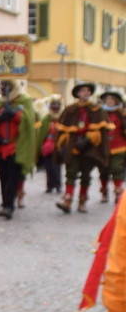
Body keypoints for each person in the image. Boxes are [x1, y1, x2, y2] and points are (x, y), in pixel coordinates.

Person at [0, 79, 36, 220]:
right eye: (2, 85)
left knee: (12, 176)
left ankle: (9, 206)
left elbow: (29, 120)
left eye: (7, 85)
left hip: (16, 146)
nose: (4, 88)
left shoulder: (24, 101)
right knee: (3, 176)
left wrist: (15, 114)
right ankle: (6, 202)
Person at [55, 81, 109, 214]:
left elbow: (101, 131)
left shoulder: (97, 110)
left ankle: (82, 202)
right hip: (73, 148)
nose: (86, 93)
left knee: (86, 176)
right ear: (78, 94)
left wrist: (88, 139)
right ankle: (67, 201)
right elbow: (62, 131)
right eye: (82, 91)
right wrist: (62, 145)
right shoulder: (70, 109)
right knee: (71, 174)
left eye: (88, 91)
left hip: (89, 149)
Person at [98, 90, 126, 203]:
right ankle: (104, 192)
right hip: (103, 147)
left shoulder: (121, 113)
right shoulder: (100, 113)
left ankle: (118, 193)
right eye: (107, 99)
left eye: (112, 99)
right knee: (103, 170)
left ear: (116, 101)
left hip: (119, 146)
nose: (109, 101)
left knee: (116, 168)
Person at [36, 95, 64, 194]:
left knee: (57, 167)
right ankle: (50, 185)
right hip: (47, 147)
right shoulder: (46, 118)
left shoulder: (63, 118)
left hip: (59, 146)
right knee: (48, 167)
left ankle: (58, 185)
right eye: (53, 104)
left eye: (57, 104)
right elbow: (41, 132)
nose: (55, 106)